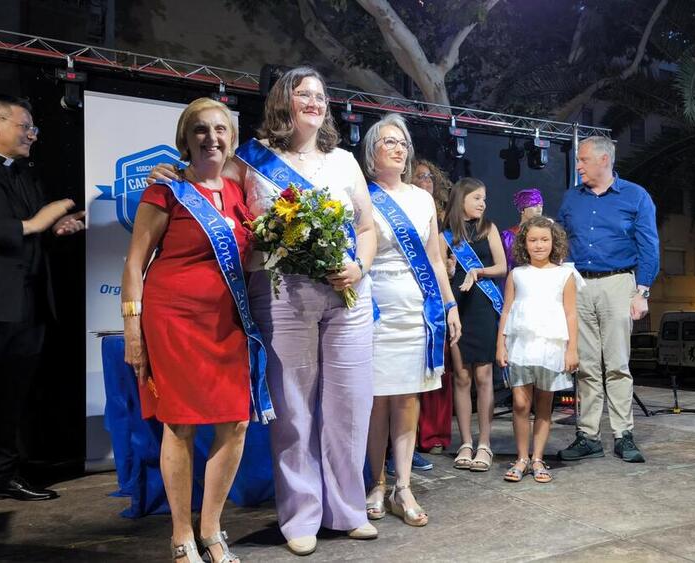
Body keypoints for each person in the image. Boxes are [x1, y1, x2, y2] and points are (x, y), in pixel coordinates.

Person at [149, 67, 378, 556]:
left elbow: (367, 228)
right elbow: (201, 180)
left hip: (347, 296)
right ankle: (300, 516)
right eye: (304, 95)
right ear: (283, 103)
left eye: (320, 96)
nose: (315, 103)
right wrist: (168, 172)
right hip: (282, 294)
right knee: (293, 408)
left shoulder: (344, 162)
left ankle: (348, 510)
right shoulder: (250, 160)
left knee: (350, 407)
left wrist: (358, 267)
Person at [123, 98, 256, 563]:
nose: (211, 137)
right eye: (200, 129)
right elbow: (136, 262)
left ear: (231, 138)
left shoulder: (240, 194)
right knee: (179, 426)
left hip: (227, 324)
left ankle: (212, 529)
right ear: (186, 139)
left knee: (236, 422)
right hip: (173, 319)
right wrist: (133, 328)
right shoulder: (167, 190)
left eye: (220, 129)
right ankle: (182, 536)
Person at [0, 94, 84, 522]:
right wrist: (31, 224)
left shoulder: (24, 171)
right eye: (26, 127)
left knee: (11, 399)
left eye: (34, 128)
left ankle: (3, 475)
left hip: (27, 306)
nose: (33, 135)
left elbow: (32, 232)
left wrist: (53, 229)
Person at [363, 113, 460, 528]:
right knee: (375, 401)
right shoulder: (360, 195)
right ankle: (376, 483)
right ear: (371, 152)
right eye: (388, 141)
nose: (398, 148)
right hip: (371, 307)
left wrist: (450, 305)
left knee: (407, 398)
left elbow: (436, 260)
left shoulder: (422, 200)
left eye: (402, 142)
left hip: (416, 308)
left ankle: (404, 486)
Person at [556, 135, 659, 464]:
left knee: (616, 364)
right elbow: (559, 240)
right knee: (585, 366)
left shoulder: (635, 196)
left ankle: (623, 434)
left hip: (618, 282)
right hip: (579, 284)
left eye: (583, 159)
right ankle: (588, 436)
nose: (579, 165)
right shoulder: (572, 198)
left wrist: (642, 291)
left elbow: (649, 246)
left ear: (604, 160)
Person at [496, 216, 581, 483]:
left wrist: (572, 349)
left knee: (544, 405)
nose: (539, 245)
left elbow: (570, 313)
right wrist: (501, 343)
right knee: (521, 403)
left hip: (551, 346)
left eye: (544, 239)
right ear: (524, 243)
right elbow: (507, 310)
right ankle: (521, 458)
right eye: (533, 240)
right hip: (521, 345)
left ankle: (537, 459)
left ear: (554, 242)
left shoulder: (565, 274)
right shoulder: (517, 274)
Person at [443, 178, 507, 472]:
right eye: (477, 198)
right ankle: (465, 442)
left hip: (481, 308)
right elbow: (438, 269)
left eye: (484, 198)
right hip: (456, 308)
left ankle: (485, 444)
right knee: (461, 378)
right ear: (461, 199)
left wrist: (478, 271)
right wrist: (450, 268)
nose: (483, 203)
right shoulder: (444, 234)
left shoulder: (488, 229)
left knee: (483, 377)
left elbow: (502, 267)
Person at [412, 159, 454, 458]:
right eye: (419, 176)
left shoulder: (444, 218)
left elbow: (443, 261)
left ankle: (435, 433)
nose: (426, 180)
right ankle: (408, 437)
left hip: (437, 298)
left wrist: (450, 267)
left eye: (429, 176)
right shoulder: (395, 209)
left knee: (437, 369)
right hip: (407, 299)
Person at [500, 188, 544, 270]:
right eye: (534, 205)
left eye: (541, 205)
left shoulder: (545, 234)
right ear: (522, 209)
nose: (539, 209)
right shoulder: (508, 237)